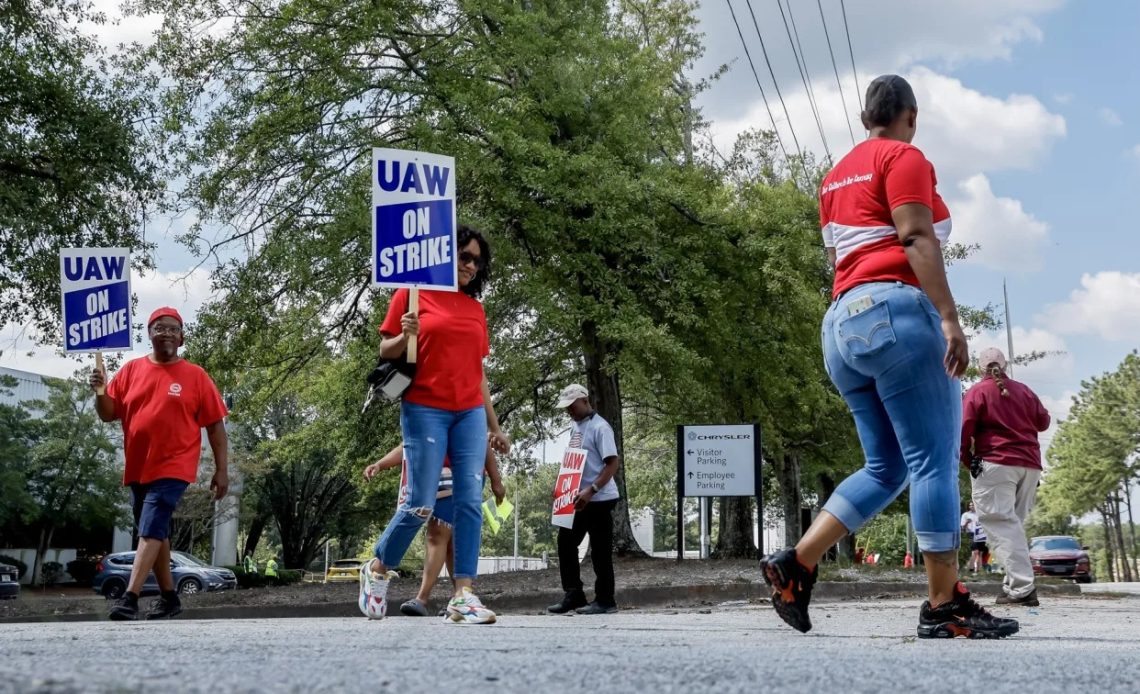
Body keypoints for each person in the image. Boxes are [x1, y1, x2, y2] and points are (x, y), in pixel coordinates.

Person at [759, 75, 1019, 640]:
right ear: (911, 115)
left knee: (887, 467)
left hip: (841, 327)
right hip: (895, 316)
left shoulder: (834, 178)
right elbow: (916, 237)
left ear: (863, 118)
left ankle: (796, 564)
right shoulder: (904, 157)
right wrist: (949, 318)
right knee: (931, 462)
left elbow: (837, 255)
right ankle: (944, 604)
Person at [359, 225, 511, 624]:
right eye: (465, 257)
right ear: (445, 256)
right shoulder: (413, 293)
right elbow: (385, 349)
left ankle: (463, 593)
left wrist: (494, 425)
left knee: (468, 503)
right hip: (425, 406)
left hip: (469, 414)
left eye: (478, 261)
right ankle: (377, 568)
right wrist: (406, 332)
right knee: (422, 503)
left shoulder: (476, 309)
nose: (471, 266)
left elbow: (477, 372)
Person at [89, 307, 229, 621]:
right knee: (155, 531)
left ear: (181, 338)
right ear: (149, 334)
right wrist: (100, 391)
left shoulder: (196, 376)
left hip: (174, 465)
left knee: (151, 527)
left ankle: (130, 596)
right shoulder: (130, 370)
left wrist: (222, 470)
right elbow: (108, 413)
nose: (165, 333)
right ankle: (169, 597)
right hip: (139, 466)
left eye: (172, 328)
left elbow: (216, 427)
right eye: (159, 328)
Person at [363, 443, 506, 616]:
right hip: (440, 473)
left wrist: (496, 478)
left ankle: (451, 597)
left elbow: (481, 439)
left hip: (470, 474)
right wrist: (381, 464)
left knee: (449, 538)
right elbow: (410, 444)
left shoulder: (472, 418)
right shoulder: (427, 418)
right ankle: (439, 597)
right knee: (438, 533)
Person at [962, 347, 1051, 606]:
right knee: (1013, 525)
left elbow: (963, 427)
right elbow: (1043, 422)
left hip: (996, 463)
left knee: (1001, 523)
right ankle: (1013, 586)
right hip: (1030, 466)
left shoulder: (977, 392)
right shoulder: (1024, 391)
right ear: (1005, 366)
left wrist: (967, 459)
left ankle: (1023, 589)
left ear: (981, 368)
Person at [546, 384, 622, 616]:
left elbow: (612, 464)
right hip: (577, 497)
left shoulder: (601, 428)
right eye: (567, 408)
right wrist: (562, 485)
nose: (569, 411)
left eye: (572, 406)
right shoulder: (575, 427)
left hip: (600, 498)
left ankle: (606, 600)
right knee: (565, 543)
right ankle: (574, 594)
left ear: (585, 401)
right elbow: (574, 460)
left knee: (600, 551)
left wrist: (592, 489)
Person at [960, 502, 987, 574]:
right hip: (971, 533)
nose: (971, 506)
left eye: (973, 505)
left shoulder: (979, 514)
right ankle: (975, 569)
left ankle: (976, 569)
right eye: (970, 505)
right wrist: (967, 523)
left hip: (981, 534)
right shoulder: (965, 515)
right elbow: (962, 527)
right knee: (976, 552)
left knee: (980, 553)